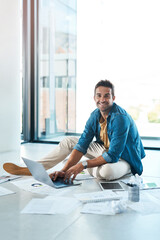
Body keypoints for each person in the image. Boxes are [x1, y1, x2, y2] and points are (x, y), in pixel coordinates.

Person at [3, 80, 145, 183]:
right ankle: (36, 167)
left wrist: (82, 164)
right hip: (104, 151)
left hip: (124, 158)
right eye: (99, 95)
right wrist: (64, 171)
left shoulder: (120, 118)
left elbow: (113, 155)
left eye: (107, 96)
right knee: (68, 141)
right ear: (94, 98)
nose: (102, 99)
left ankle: (88, 165)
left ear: (113, 98)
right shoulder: (95, 115)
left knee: (106, 172)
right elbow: (82, 144)